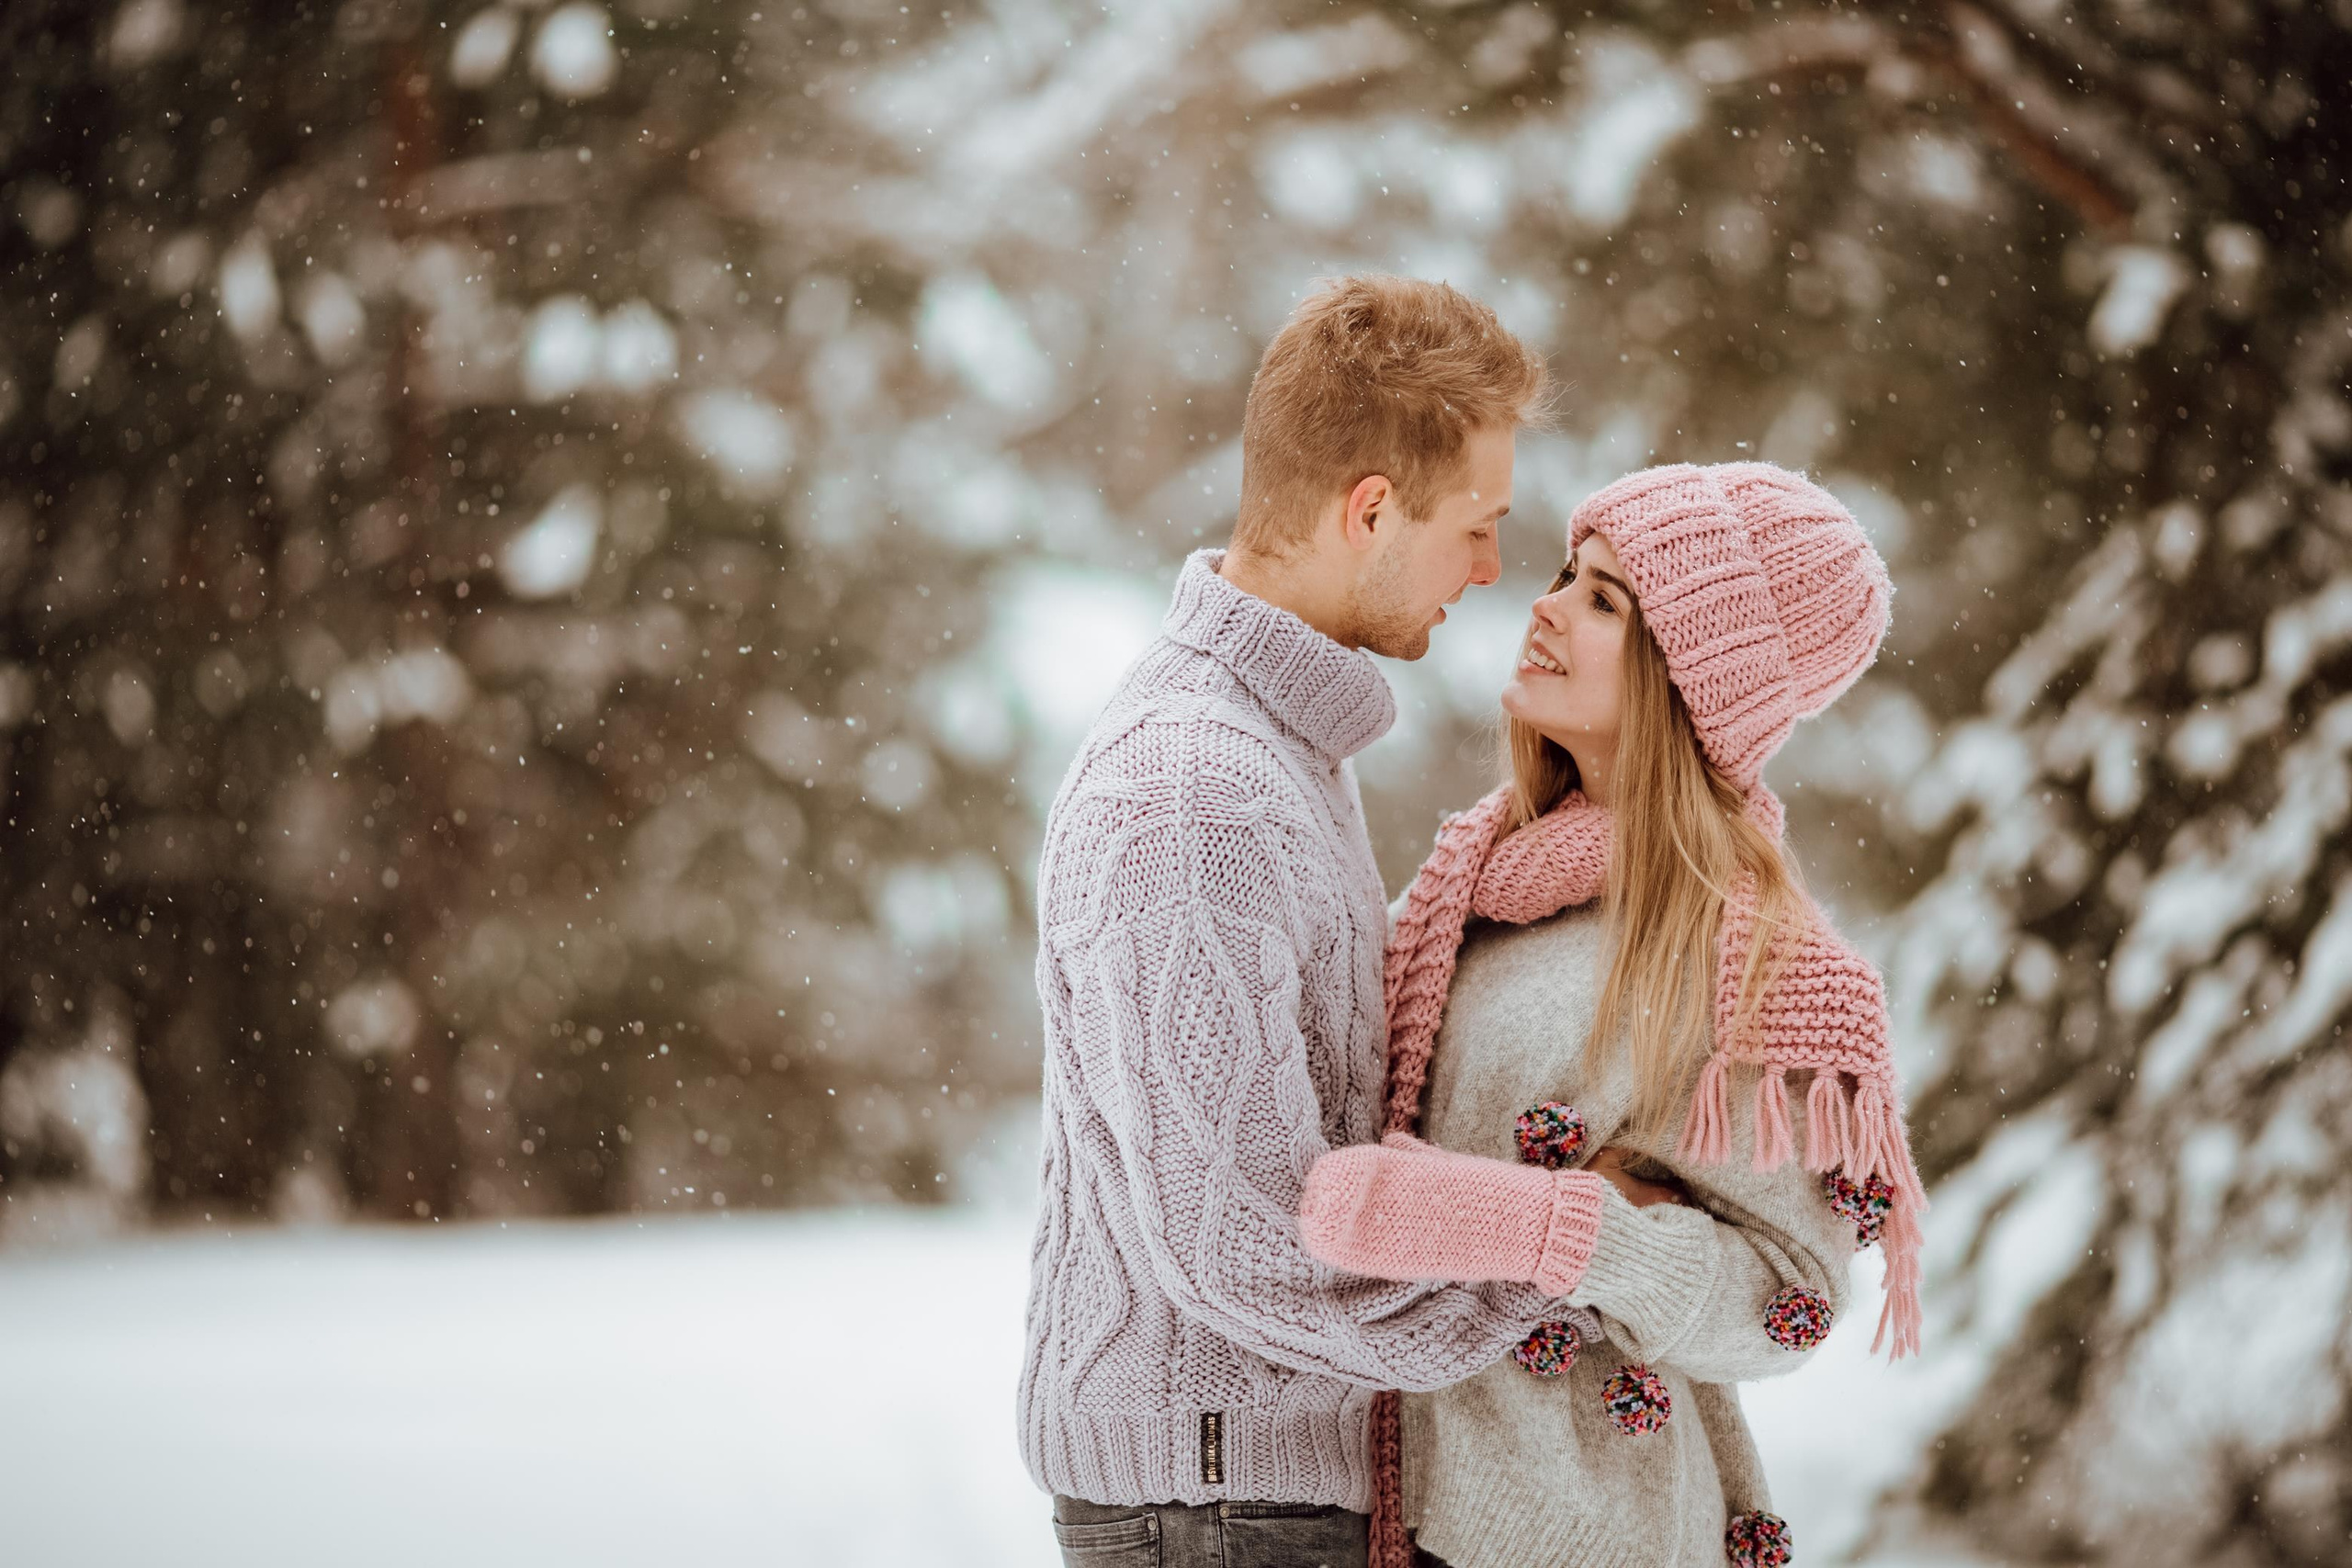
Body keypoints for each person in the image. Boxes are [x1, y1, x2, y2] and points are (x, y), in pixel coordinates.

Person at [1019, 274, 1580, 1568]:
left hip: (1240, 1494)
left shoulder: (1276, 752)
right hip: (1217, 1506)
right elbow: (1243, 1236)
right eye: (1477, 526)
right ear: (1370, 509)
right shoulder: (1195, 791)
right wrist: (1553, 1258)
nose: (1495, 568)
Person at [1298, 462, 1927, 1568]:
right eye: (1563, 576)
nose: (1543, 606)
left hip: (1590, 1530)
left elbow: (1788, 1295)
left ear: (1691, 682)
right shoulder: (1474, 886)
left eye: (1602, 601)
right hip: (1406, 1509)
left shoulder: (1745, 952)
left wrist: (1543, 1228)